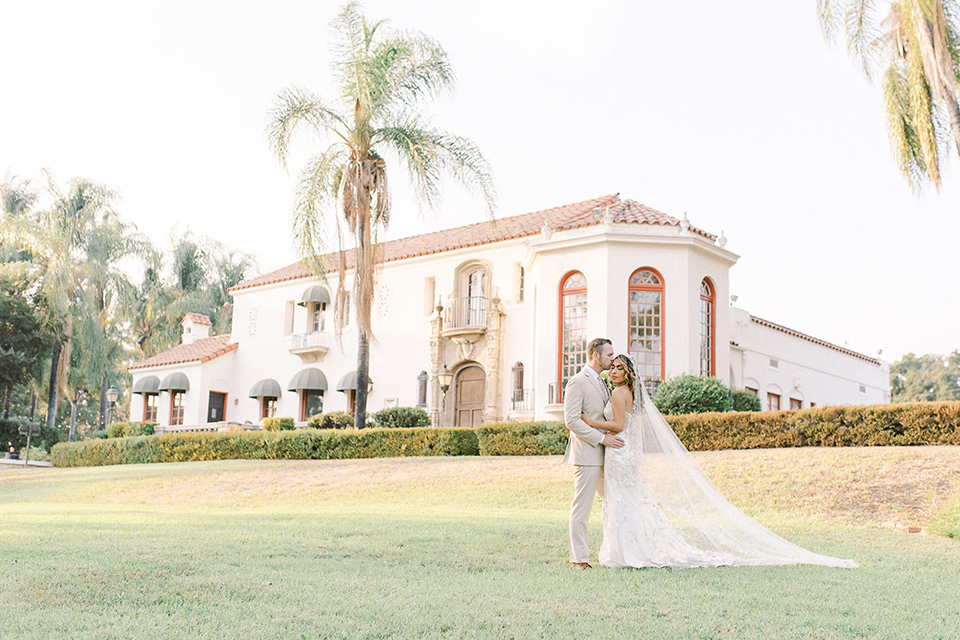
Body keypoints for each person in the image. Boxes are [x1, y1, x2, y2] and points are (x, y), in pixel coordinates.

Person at [581, 354, 857, 569]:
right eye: (612, 367)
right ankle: (629, 549)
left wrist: (589, 421)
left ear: (627, 372)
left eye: (618, 367)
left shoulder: (619, 393)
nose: (613, 371)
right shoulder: (630, 393)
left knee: (620, 500)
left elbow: (617, 425)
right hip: (625, 452)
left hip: (619, 451)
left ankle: (626, 552)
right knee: (625, 500)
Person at [563, 337, 624, 570]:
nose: (612, 359)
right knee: (582, 507)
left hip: (607, 455)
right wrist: (601, 438)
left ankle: (615, 552)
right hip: (587, 454)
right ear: (596, 356)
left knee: (614, 502)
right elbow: (571, 420)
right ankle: (579, 559)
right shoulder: (578, 381)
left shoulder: (603, 382)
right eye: (609, 355)